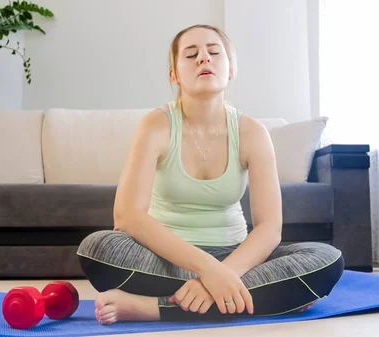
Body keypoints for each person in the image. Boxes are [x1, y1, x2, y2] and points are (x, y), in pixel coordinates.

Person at [77, 24, 344, 324]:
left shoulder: (252, 133)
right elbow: (127, 217)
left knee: (327, 260)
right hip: (166, 260)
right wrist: (210, 271)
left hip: (236, 258)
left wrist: (225, 271)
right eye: (191, 55)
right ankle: (269, 298)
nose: (204, 58)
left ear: (230, 69)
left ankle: (154, 307)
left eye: (214, 52)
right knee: (97, 248)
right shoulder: (155, 126)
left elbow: (269, 228)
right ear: (174, 75)